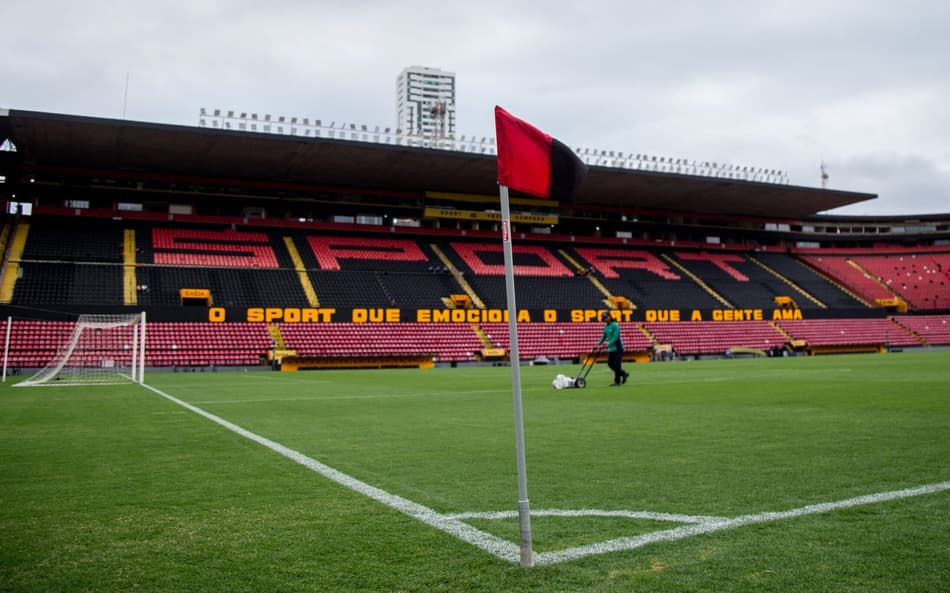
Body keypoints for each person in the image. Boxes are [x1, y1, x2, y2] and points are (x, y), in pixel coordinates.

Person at [597, 311, 628, 386]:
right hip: (611, 349)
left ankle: (617, 382)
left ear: (610, 316)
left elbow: (615, 337)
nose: (606, 319)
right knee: (610, 364)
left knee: (617, 365)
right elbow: (604, 337)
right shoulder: (606, 327)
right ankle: (624, 373)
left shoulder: (615, 325)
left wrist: (607, 345)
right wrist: (598, 344)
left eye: (607, 317)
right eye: (604, 318)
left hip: (618, 348)